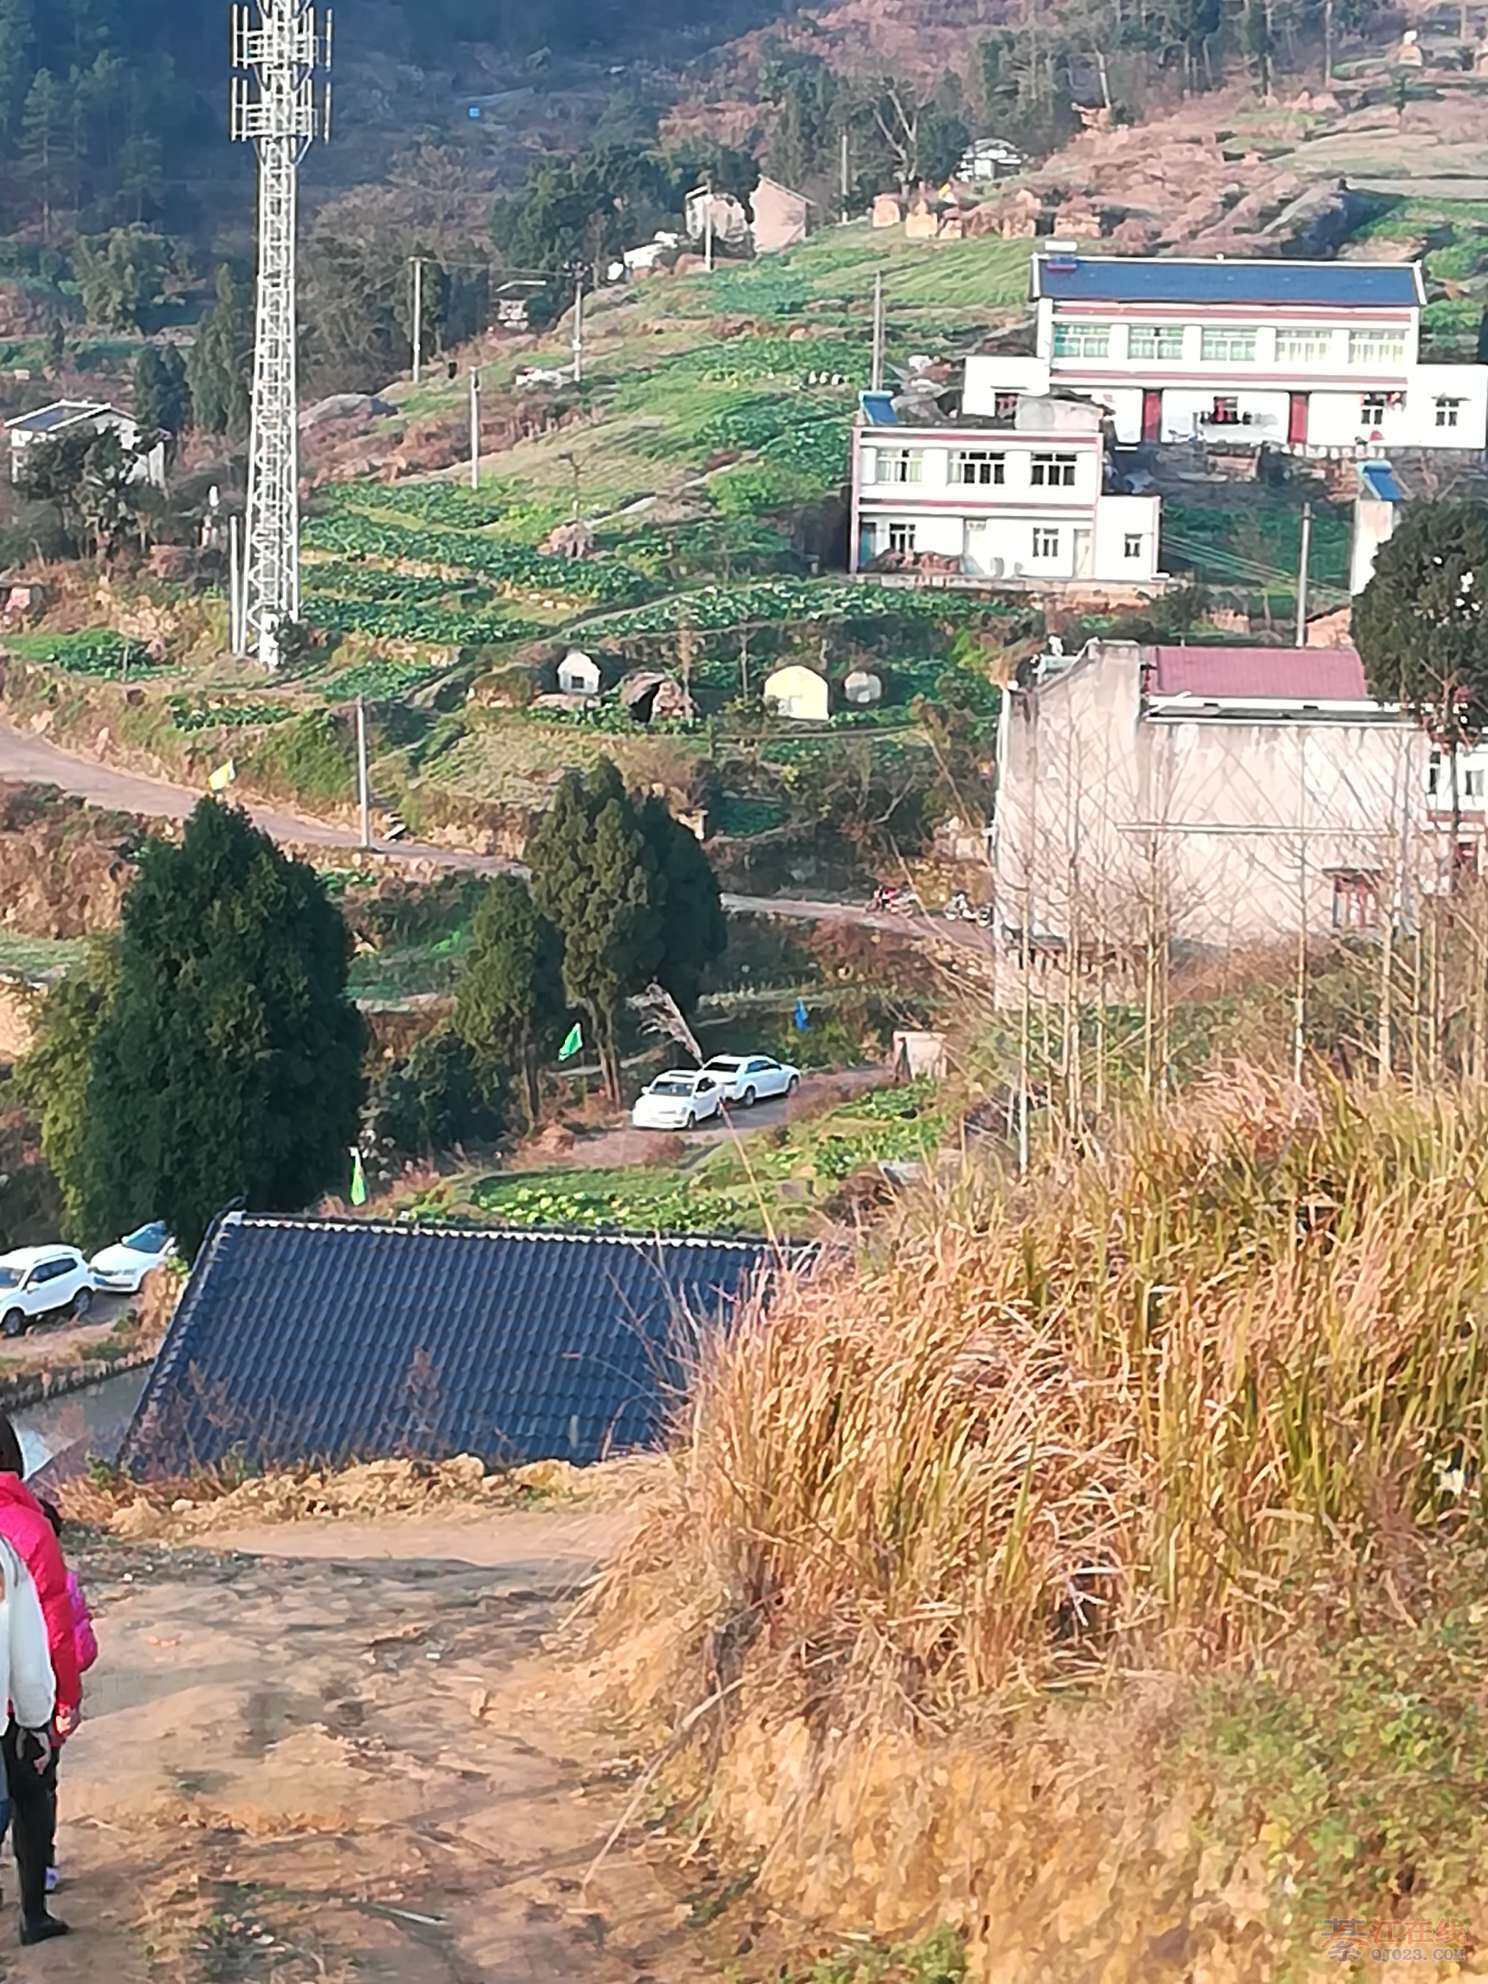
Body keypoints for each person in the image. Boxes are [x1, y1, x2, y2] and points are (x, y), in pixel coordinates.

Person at [0, 1417, 77, 1945]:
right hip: (11, 1704)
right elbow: (47, 1628)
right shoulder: (25, 1530)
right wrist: (54, 1706)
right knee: (31, 1794)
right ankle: (33, 1912)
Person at [36, 1500, 95, 1897]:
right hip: (49, 1703)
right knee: (40, 1790)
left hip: (26, 1704)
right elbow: (83, 1647)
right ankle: (43, 1866)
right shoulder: (66, 1583)